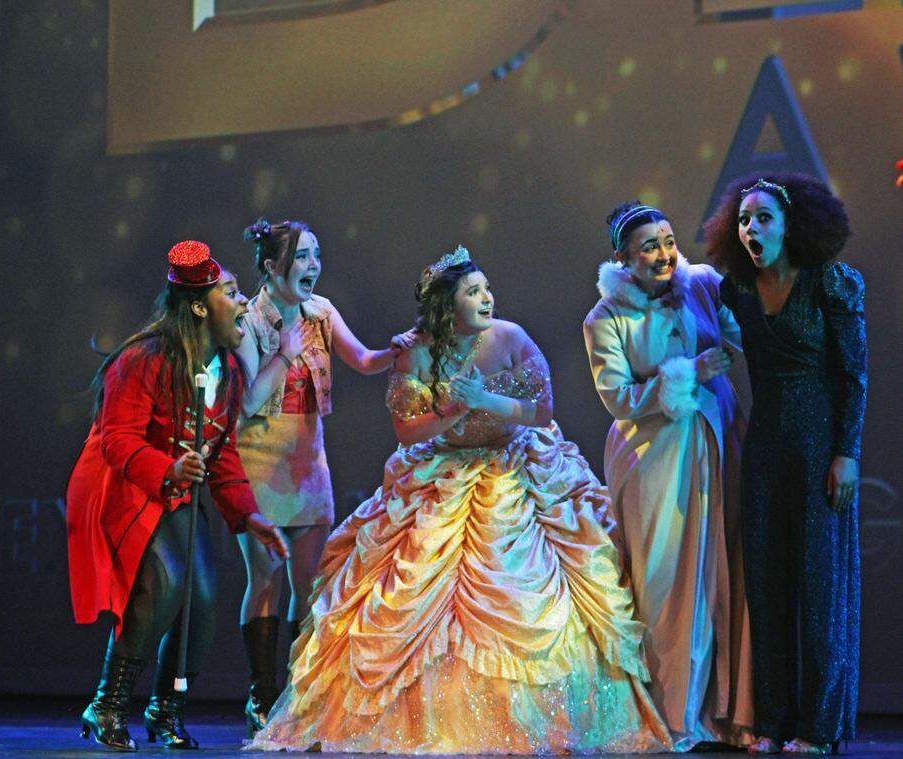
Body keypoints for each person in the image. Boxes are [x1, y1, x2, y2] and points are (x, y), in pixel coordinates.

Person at [248, 246, 670, 754]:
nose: (487, 297)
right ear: (449, 307)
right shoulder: (417, 351)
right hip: (444, 468)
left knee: (536, 582)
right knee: (415, 581)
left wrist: (485, 400)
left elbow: (542, 410)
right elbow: (407, 431)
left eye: (487, 288)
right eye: (474, 292)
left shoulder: (510, 337)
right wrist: (452, 411)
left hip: (516, 465)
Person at [67, 240, 289, 751]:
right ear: (197, 306)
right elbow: (119, 439)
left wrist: (248, 515)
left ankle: (165, 712)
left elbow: (222, 452)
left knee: (204, 600)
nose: (241, 304)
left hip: (178, 488)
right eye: (231, 293)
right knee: (162, 588)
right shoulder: (144, 360)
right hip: (127, 485)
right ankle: (106, 706)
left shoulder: (228, 371)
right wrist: (166, 468)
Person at [703, 175, 865, 755]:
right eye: (744, 220)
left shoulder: (830, 283)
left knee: (819, 587)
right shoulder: (738, 291)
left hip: (821, 449)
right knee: (767, 586)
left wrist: (846, 453)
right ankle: (771, 719)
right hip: (766, 447)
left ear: (791, 224)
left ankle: (818, 729)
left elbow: (854, 375)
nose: (752, 229)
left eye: (764, 218)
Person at [232, 218, 413, 735]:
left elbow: (363, 360)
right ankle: (262, 694)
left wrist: (401, 348)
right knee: (264, 578)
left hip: (308, 461)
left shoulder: (321, 312)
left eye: (316, 255)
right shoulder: (249, 320)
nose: (314, 266)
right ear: (272, 267)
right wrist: (285, 350)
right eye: (303, 257)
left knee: (308, 584)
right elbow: (247, 401)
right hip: (261, 459)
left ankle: (297, 691)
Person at [583, 201, 753, 749]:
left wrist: (723, 351)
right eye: (649, 246)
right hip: (654, 457)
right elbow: (618, 398)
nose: (663, 253)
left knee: (719, 573)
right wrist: (687, 375)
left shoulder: (701, 282)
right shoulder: (607, 317)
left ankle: (720, 711)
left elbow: (732, 334)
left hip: (715, 442)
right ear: (623, 259)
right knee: (663, 582)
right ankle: (667, 713)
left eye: (668, 240)